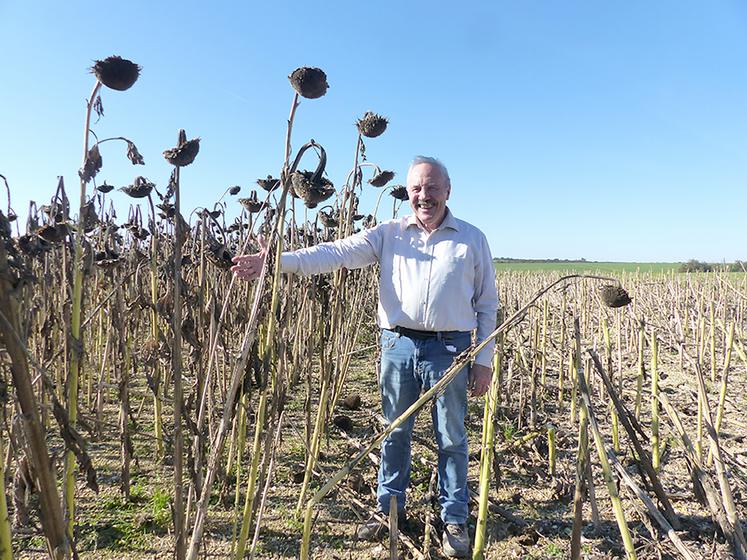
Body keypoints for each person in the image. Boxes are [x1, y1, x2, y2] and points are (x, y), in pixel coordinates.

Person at [232, 156, 499, 558]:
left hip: (452, 349)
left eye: (431, 188)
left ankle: (454, 519)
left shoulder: (471, 239)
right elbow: (335, 253)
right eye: (416, 189)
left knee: (452, 437)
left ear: (448, 190)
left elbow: (488, 304)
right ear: (408, 193)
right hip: (398, 345)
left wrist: (484, 359)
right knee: (394, 431)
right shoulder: (389, 234)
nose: (423, 196)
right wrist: (276, 262)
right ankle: (387, 510)